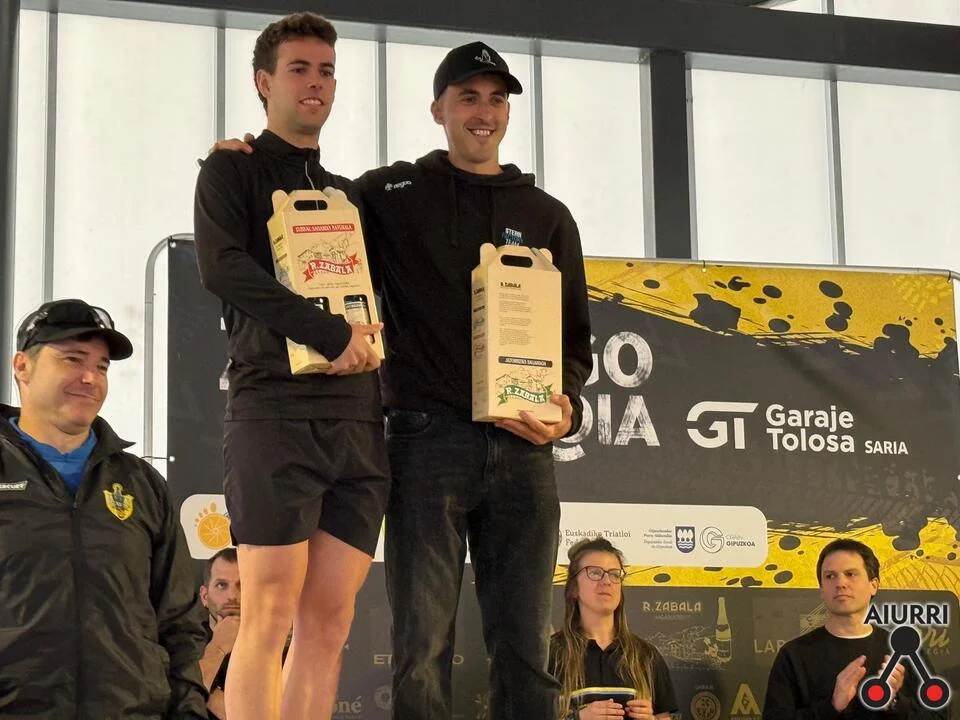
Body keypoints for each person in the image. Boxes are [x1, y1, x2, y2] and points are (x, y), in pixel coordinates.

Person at [211, 40, 592, 719]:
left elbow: (574, 345)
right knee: (420, 647)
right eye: (468, 98)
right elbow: (305, 202)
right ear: (438, 109)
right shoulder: (386, 194)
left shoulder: (549, 215)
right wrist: (247, 154)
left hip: (525, 449)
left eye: (496, 99)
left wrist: (568, 410)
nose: (483, 113)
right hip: (423, 441)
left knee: (528, 647)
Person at [193, 12, 389, 720]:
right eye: (299, 69)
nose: (315, 83)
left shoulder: (350, 195)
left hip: (357, 421)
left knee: (329, 624)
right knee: (268, 612)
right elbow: (223, 268)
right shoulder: (230, 169)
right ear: (263, 82)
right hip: (274, 412)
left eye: (326, 70)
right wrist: (328, 333)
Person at [0, 298, 208, 718]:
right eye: (72, 359)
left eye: (101, 366)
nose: (89, 377)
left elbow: (181, 624)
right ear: (22, 366)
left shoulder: (142, 484)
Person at [762, 539, 947, 720]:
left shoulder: (903, 650)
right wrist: (832, 706)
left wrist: (894, 703)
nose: (840, 583)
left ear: (873, 585)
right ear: (821, 590)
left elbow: (939, 716)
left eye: (850, 574)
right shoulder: (793, 655)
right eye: (830, 576)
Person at [550, 537, 678, 720]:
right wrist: (578, 718)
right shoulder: (551, 655)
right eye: (595, 573)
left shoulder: (646, 656)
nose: (607, 581)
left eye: (615, 574)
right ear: (573, 588)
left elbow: (663, 717)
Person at [199, 548, 242, 719]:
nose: (232, 596)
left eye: (241, 585)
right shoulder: (182, 641)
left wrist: (208, 694)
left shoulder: (275, 645)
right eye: (221, 585)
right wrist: (217, 647)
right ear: (204, 596)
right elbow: (176, 698)